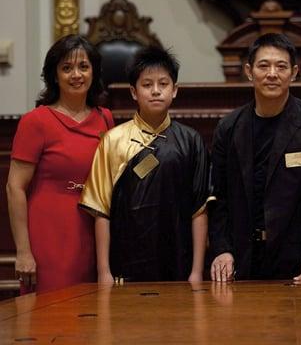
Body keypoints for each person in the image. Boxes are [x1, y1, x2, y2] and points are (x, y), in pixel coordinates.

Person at [209, 33, 301, 281]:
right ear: (249, 71)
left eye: (281, 66)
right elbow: (219, 199)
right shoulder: (228, 127)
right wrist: (222, 250)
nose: (272, 73)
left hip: (295, 260)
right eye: (264, 65)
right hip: (240, 258)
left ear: (294, 72)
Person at [79, 46, 210, 283]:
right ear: (133, 92)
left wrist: (197, 272)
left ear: (175, 90)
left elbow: (199, 210)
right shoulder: (112, 140)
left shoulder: (191, 141)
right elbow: (101, 211)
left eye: (163, 84)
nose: (156, 91)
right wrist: (103, 272)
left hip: (178, 265)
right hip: (125, 265)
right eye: (147, 85)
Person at [6, 34, 114, 294]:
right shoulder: (36, 121)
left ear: (94, 72)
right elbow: (14, 188)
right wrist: (23, 251)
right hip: (48, 235)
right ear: (54, 75)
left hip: (93, 230)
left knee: (91, 318)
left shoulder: (105, 118)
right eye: (67, 68)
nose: (76, 74)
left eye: (83, 67)